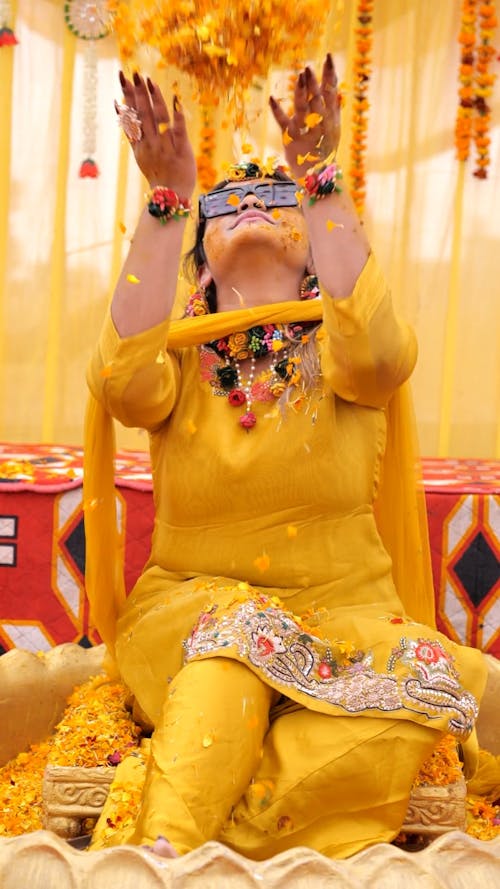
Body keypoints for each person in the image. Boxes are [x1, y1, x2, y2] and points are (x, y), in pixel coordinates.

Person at [84, 55, 487, 859]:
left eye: (277, 198)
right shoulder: (184, 365)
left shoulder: (345, 361)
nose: (250, 207)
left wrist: (324, 176)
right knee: (233, 646)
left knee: (419, 684)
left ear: (312, 251)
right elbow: (119, 380)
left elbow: (376, 344)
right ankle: (155, 857)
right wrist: (165, 204)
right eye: (225, 202)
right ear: (199, 261)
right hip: (192, 612)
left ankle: (200, 832)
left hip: (348, 620)